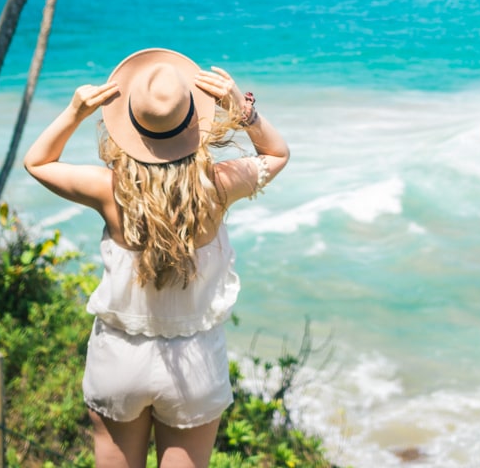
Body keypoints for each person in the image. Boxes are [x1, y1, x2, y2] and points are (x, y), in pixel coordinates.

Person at [23, 47, 290, 468]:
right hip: (194, 364)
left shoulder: (107, 190)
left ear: (130, 123)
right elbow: (277, 154)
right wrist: (242, 109)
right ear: (192, 120)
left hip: (119, 358)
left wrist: (74, 112)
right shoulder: (218, 186)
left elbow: (37, 162)